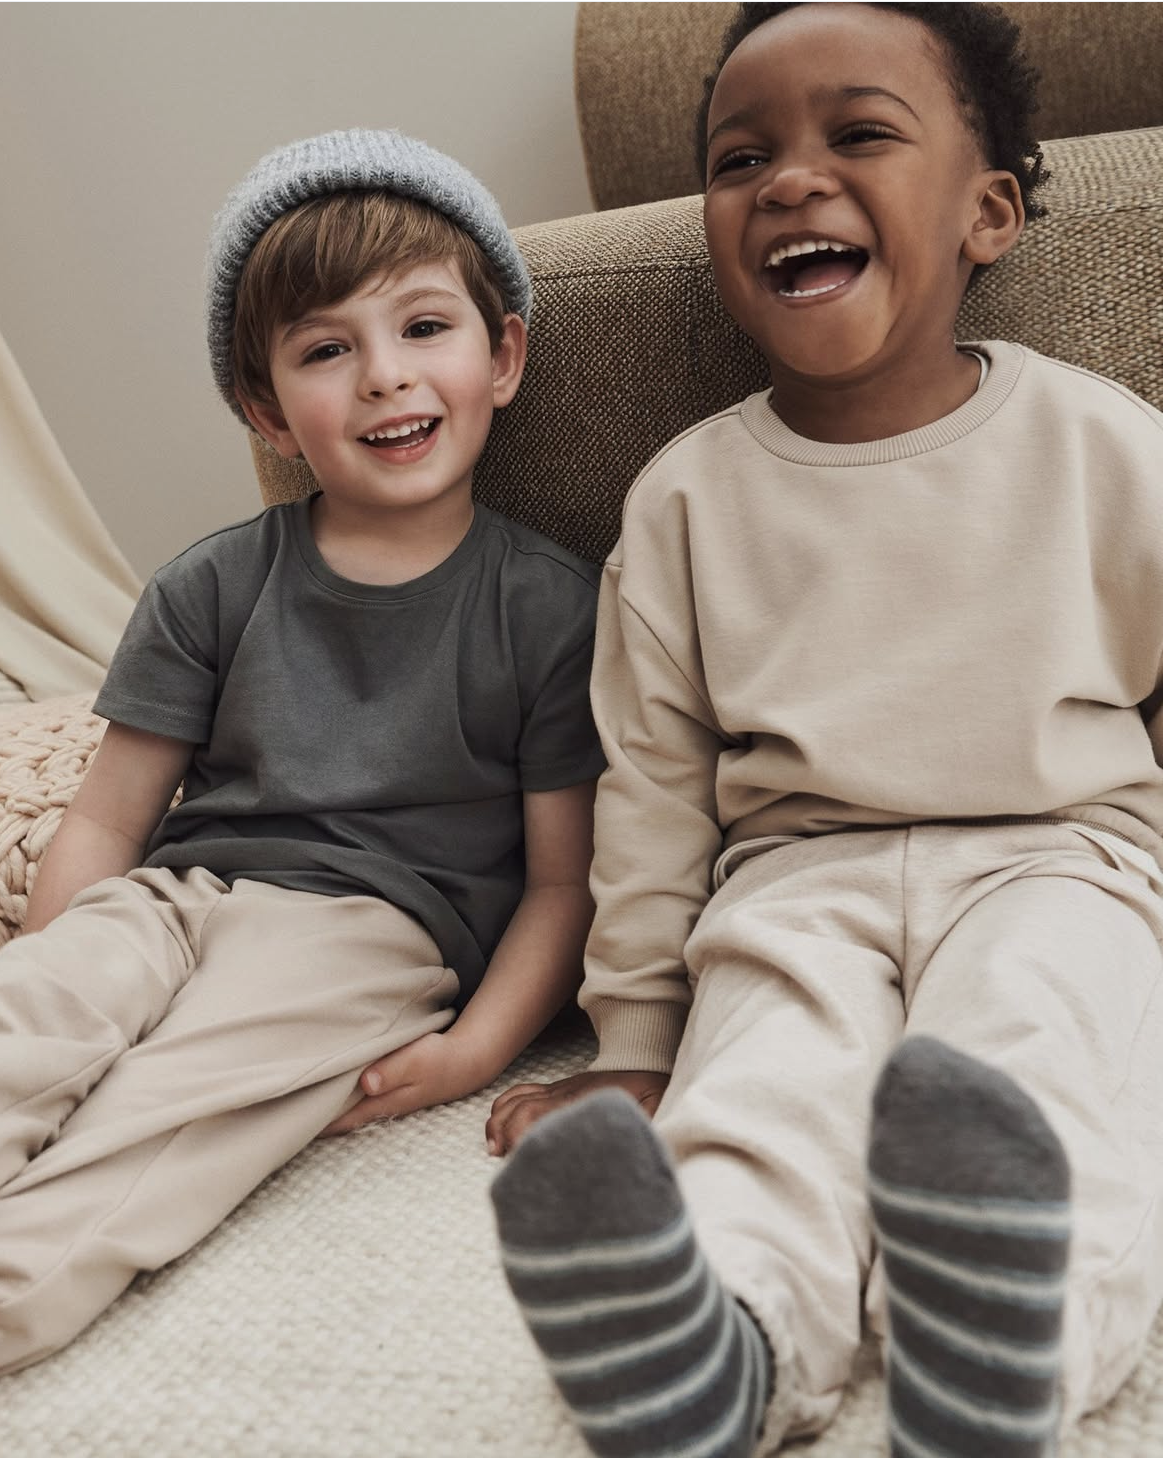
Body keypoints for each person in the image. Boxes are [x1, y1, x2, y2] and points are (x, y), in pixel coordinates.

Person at [485, 6, 1163, 1458]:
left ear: (987, 214)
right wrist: (633, 1039)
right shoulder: (685, 498)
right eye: (740, 159)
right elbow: (651, 784)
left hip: (1057, 857)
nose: (788, 179)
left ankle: (1002, 1347)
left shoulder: (1099, 443)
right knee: (761, 1085)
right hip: (794, 879)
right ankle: (717, 1345)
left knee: (1030, 1058)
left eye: (857, 134)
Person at [0, 128, 603, 1373]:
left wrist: (477, 1048)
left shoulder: (549, 609)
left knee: (176, 1107)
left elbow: (562, 879)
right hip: (180, 890)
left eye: (422, 327)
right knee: (38, 1012)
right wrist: (67, 955)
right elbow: (108, 821)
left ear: (502, 355)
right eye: (328, 349)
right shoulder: (210, 586)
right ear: (269, 412)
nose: (384, 376)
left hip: (370, 929)